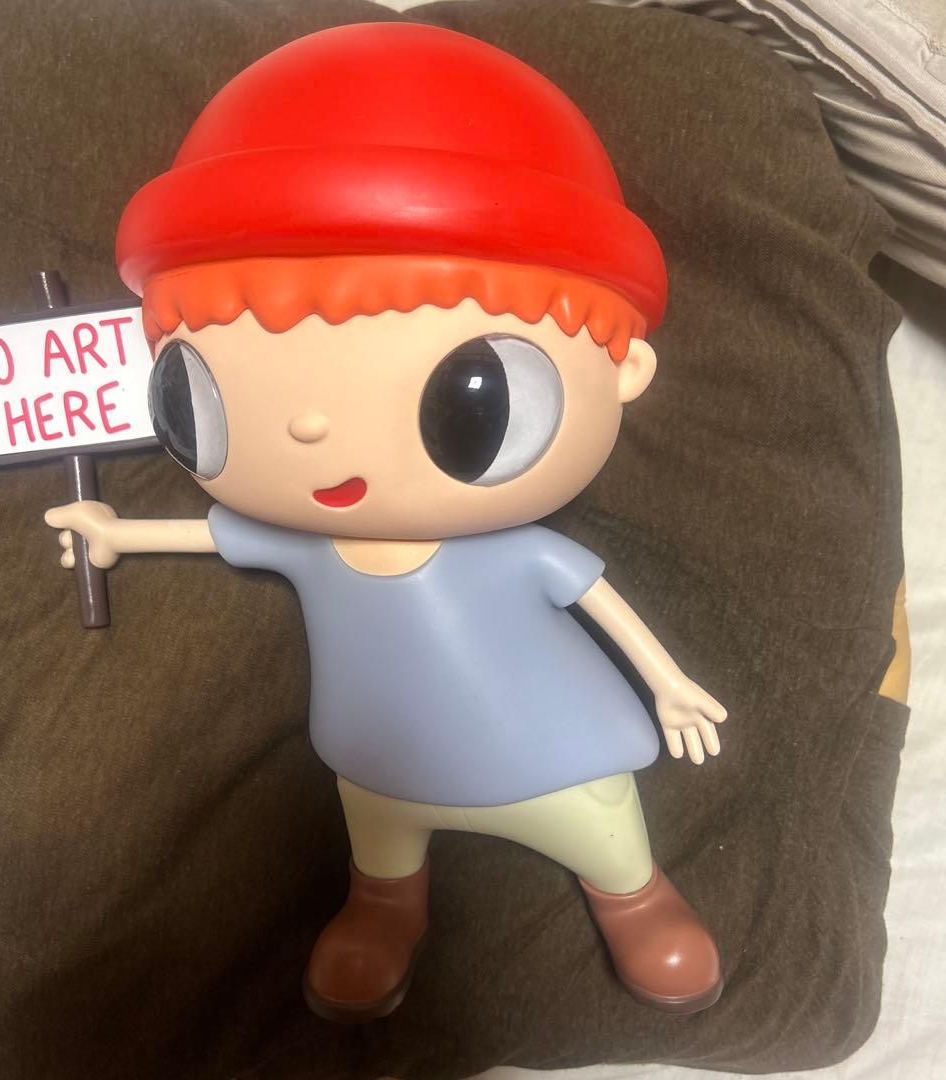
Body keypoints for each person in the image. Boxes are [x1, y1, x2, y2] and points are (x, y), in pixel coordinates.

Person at [45, 21, 728, 1023]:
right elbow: (211, 536)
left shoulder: (522, 553)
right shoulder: (309, 547)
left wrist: (669, 687)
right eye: (203, 392)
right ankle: (383, 908)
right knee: (381, 835)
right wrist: (115, 532)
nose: (312, 429)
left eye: (472, 397)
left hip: (546, 747)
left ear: (622, 371)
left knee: (600, 826)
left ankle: (636, 897)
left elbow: (604, 605)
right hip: (382, 757)